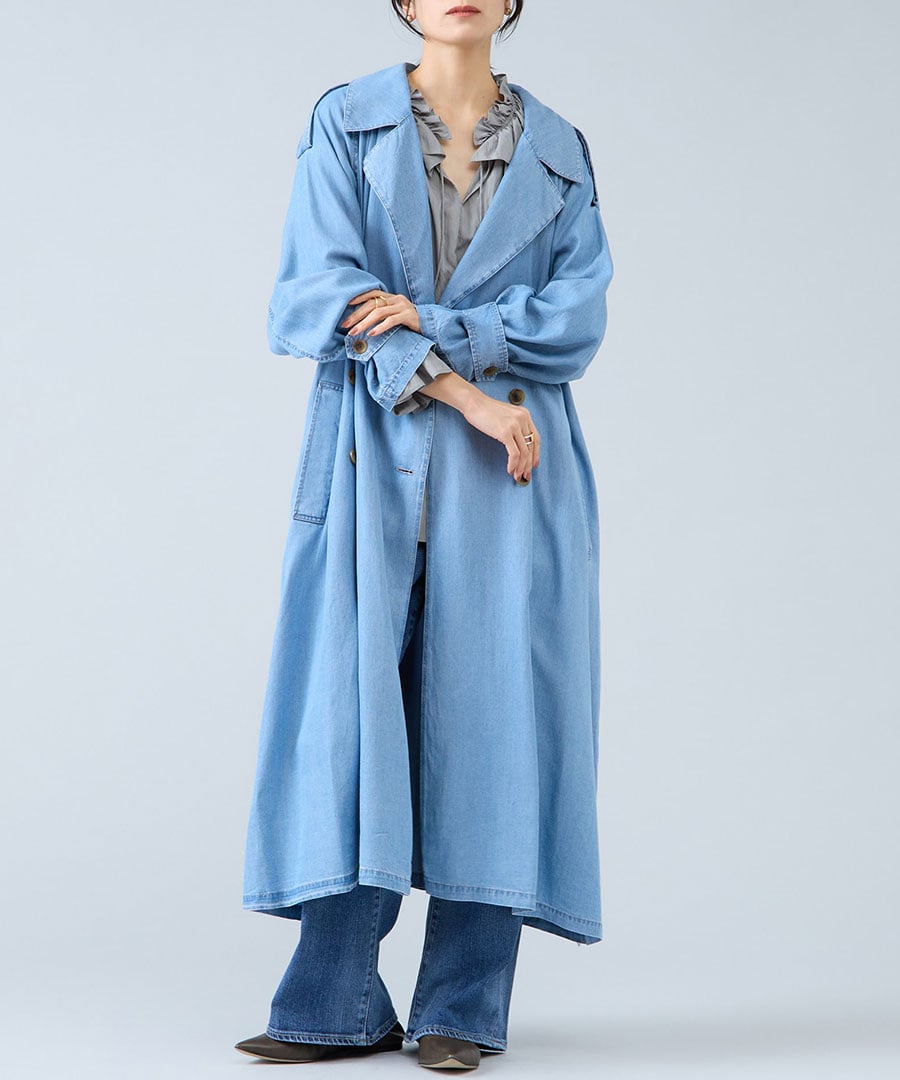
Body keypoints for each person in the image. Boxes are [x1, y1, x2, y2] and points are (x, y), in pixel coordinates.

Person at [236, 0, 614, 1069]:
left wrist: (438, 325)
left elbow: (576, 321)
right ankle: (333, 1002)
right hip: (375, 458)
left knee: (495, 728)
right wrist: (468, 391)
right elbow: (319, 299)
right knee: (353, 722)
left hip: (514, 483)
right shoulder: (346, 121)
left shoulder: (559, 151)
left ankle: (461, 1009)